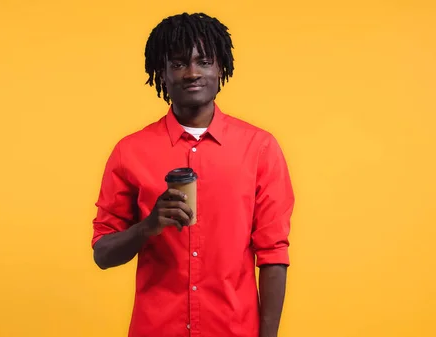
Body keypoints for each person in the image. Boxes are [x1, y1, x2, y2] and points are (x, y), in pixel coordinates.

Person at [91, 12, 295, 337]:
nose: (192, 73)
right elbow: (102, 253)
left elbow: (273, 253)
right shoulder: (129, 152)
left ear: (221, 68)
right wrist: (147, 227)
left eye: (204, 61)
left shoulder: (260, 148)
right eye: (178, 63)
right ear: (162, 73)